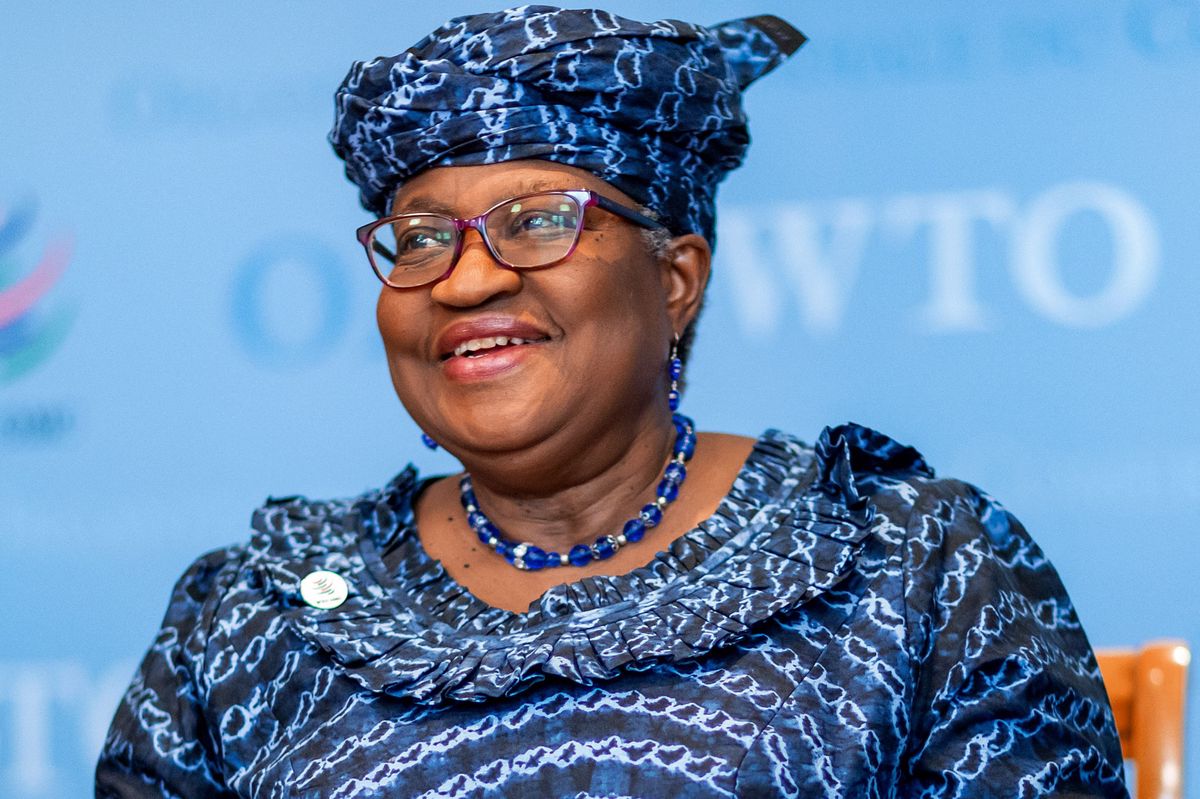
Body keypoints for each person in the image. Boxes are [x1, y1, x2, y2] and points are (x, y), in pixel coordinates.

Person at [96, 6, 1129, 797]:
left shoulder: (909, 566)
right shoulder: (250, 611)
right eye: (419, 239)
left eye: (540, 221)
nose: (462, 283)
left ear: (676, 278)